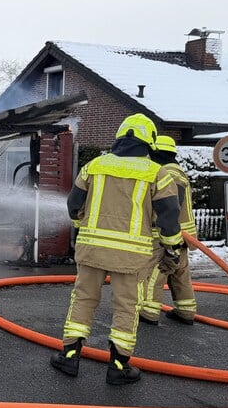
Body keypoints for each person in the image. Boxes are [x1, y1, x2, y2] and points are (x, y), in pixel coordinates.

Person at [50, 113, 183, 385]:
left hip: (91, 250)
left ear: (120, 136)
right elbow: (169, 218)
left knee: (83, 298)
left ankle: (70, 356)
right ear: (150, 142)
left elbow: (74, 206)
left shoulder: (94, 166)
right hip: (132, 255)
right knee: (126, 307)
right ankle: (119, 366)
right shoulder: (158, 174)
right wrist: (172, 247)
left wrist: (83, 226)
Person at [138, 135, 197, 325]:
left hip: (167, 233)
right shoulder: (177, 171)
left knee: (158, 269)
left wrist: (166, 232)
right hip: (183, 234)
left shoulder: (168, 174)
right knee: (179, 271)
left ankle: (148, 311)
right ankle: (186, 311)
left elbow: (171, 207)